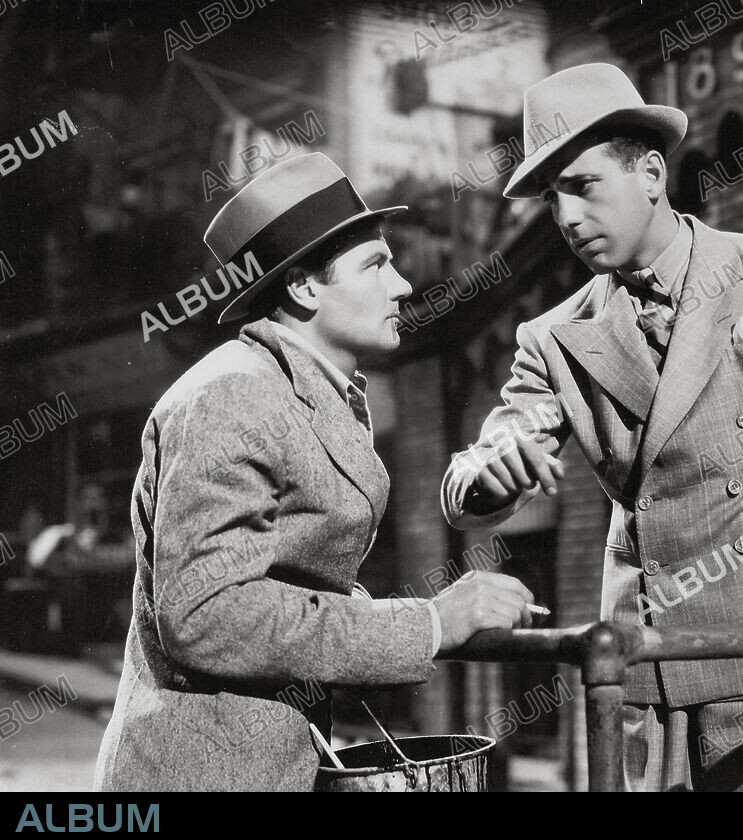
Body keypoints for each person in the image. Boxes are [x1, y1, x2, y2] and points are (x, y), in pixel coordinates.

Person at [441, 64, 743, 792]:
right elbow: (491, 457)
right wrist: (490, 473)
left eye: (583, 186)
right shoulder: (556, 337)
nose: (567, 218)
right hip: (643, 663)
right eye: (552, 198)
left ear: (651, 174)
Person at [96, 153, 535, 792]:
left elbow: (284, 577)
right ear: (303, 287)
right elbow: (205, 613)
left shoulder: (316, 391)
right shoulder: (234, 396)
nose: (404, 286)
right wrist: (431, 624)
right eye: (376, 265)